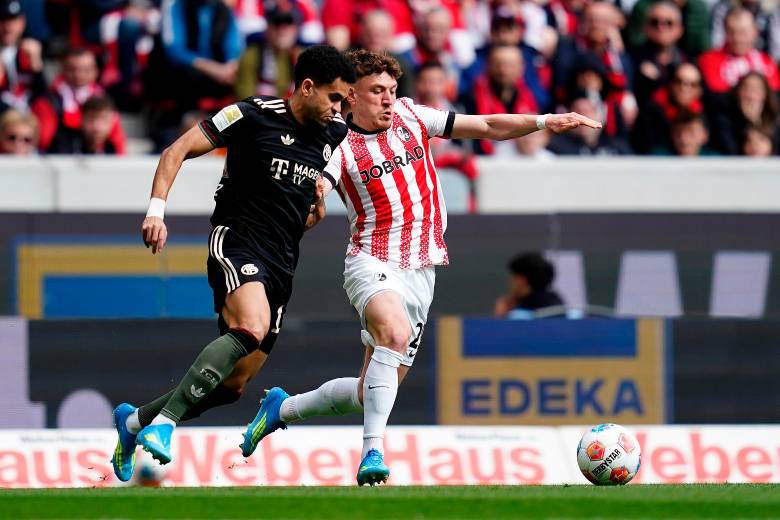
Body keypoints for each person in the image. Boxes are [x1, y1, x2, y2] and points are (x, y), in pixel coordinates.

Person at [237, 49, 600, 486]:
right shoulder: (337, 143)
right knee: (393, 334)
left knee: (367, 390)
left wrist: (543, 121)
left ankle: (282, 408)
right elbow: (323, 182)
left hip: (422, 269)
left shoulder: (412, 115)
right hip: (371, 260)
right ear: (351, 96)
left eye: (392, 90)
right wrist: (314, 196)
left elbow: (484, 125)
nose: (388, 99)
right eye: (377, 91)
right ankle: (373, 453)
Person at [109, 45, 355, 482]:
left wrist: (314, 214)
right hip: (238, 242)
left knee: (233, 386)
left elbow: (305, 216)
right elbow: (176, 150)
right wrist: (155, 212)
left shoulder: (331, 134)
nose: (338, 109)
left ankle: (133, 423)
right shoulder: (250, 114)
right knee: (251, 326)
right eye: (334, 98)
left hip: (282, 262)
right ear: (307, 86)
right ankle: (164, 427)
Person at [48, 95, 127, 155]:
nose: (97, 127)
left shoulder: (111, 149)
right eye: (91, 119)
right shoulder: (63, 144)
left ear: (112, 122)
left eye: (104, 120)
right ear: (82, 120)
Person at [493, 252, 565, 317]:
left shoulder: (519, 315)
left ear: (521, 280)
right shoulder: (559, 305)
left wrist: (501, 318)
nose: (510, 283)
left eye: (512, 278)